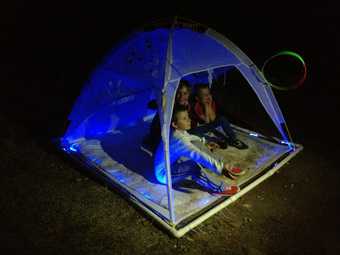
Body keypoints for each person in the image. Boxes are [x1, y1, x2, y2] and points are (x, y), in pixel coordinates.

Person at [153, 105, 246, 196]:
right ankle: (218, 188)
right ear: (174, 124)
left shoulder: (175, 131)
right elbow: (198, 154)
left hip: (172, 164)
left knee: (197, 144)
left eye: (188, 116)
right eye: (184, 118)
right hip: (164, 174)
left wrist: (204, 141)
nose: (189, 120)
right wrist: (220, 168)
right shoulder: (177, 140)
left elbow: (189, 137)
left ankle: (222, 164)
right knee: (194, 166)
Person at [191, 83, 248, 150]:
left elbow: (213, 119)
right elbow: (207, 121)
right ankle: (217, 140)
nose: (208, 96)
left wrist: (209, 105)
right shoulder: (197, 106)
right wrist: (206, 106)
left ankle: (233, 139)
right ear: (198, 98)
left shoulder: (212, 102)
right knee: (194, 132)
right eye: (204, 95)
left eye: (209, 94)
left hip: (211, 125)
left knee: (222, 119)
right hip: (202, 126)